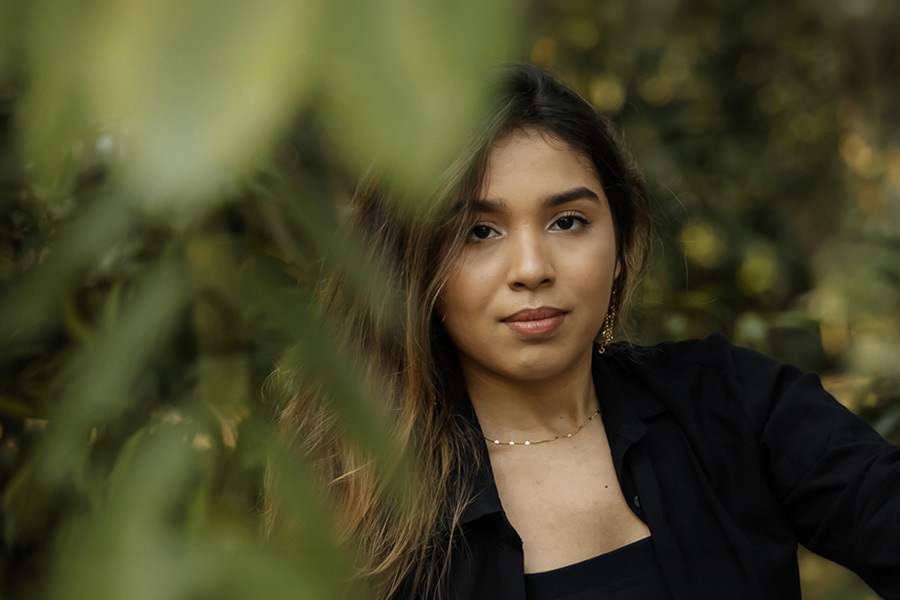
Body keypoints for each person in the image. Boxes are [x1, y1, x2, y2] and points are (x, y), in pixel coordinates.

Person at [267, 63, 900, 599]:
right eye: (478, 232)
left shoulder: (733, 403)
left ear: (620, 240)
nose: (532, 269)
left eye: (567, 221)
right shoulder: (360, 500)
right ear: (412, 265)